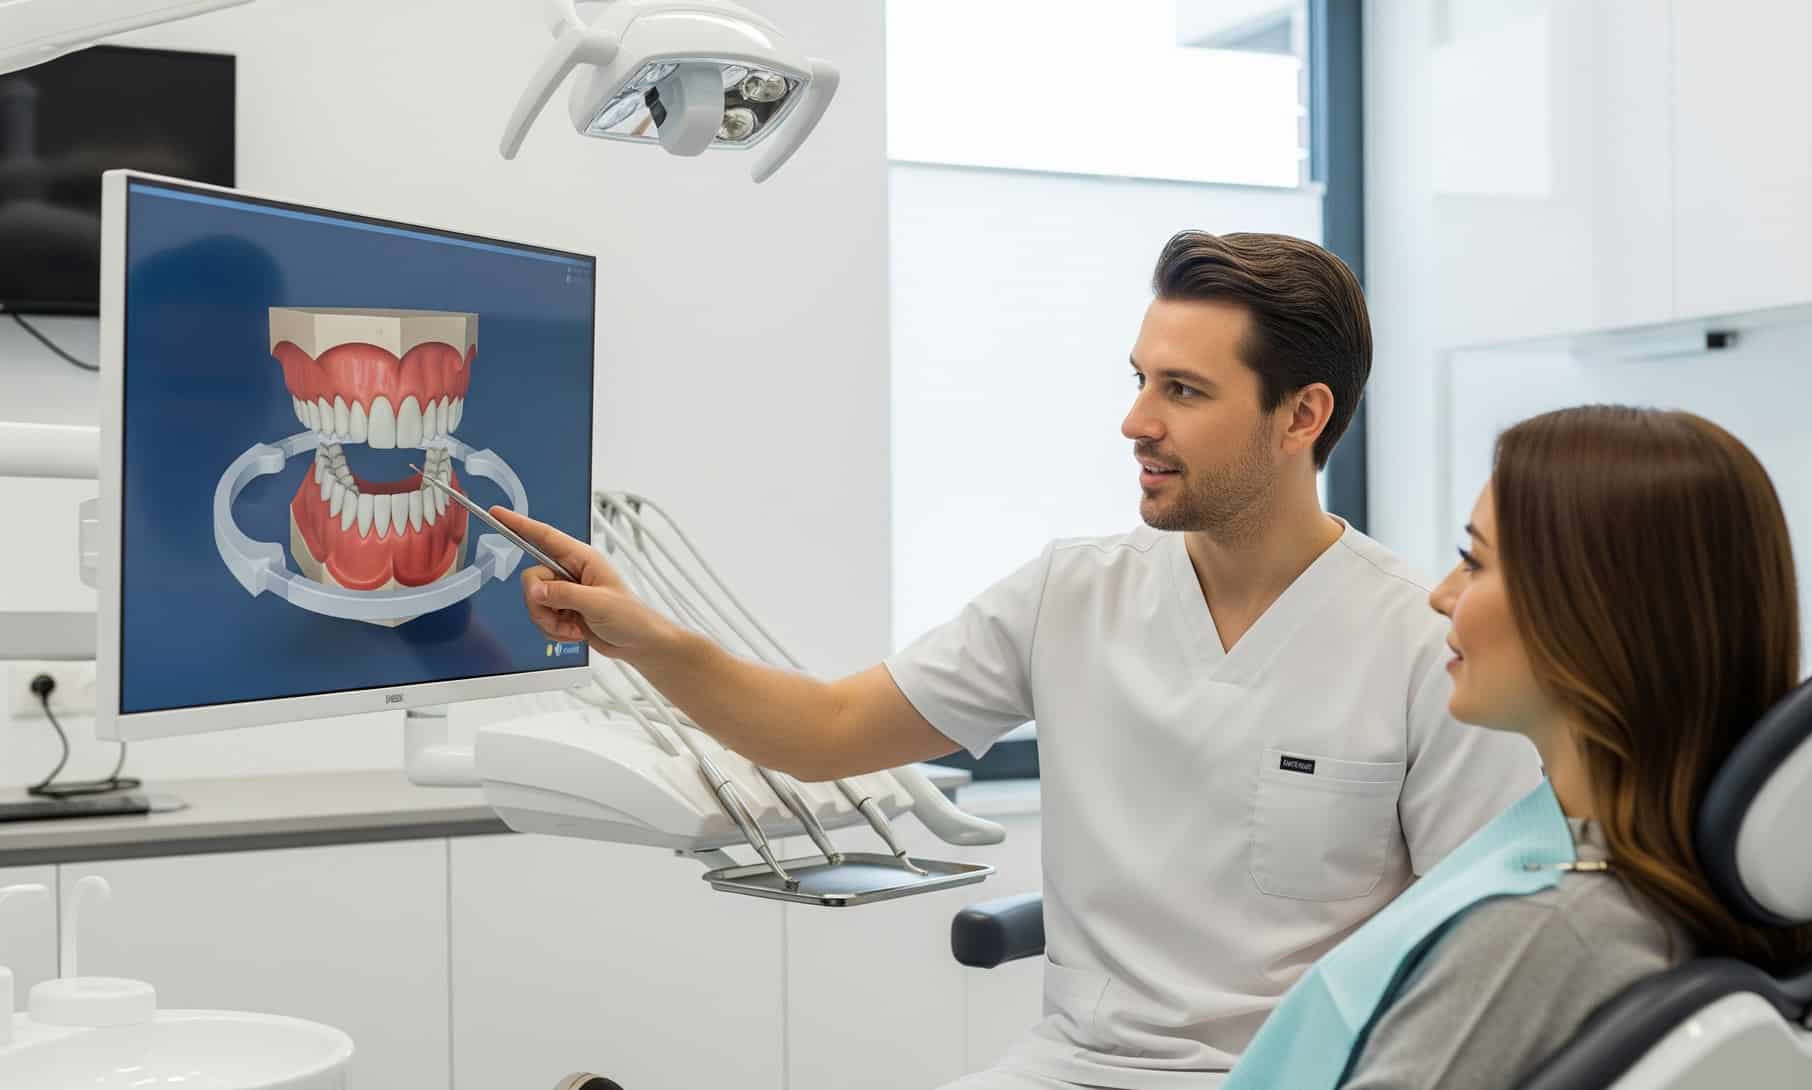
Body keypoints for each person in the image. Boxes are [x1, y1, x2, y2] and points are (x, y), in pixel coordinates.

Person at [492, 230, 1541, 1090]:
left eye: (1182, 390)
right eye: (1138, 380)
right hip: (1070, 1067)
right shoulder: (1070, 593)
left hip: (1293, 1076)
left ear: (1299, 416)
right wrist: (646, 635)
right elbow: (823, 735)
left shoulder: (1420, 640)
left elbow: (1477, 957)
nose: (1134, 421)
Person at [1220, 405, 1812, 1090]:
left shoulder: (1546, 933)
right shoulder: (1690, 878)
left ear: (1595, 614)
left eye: (1473, 562)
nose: (1443, 596)